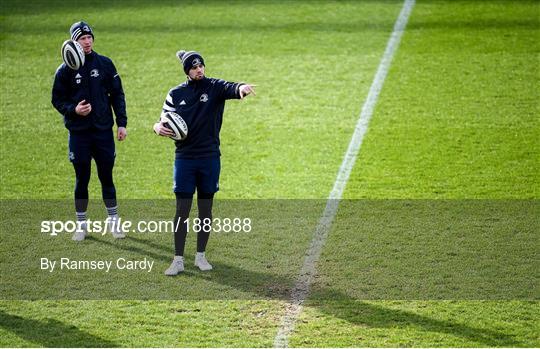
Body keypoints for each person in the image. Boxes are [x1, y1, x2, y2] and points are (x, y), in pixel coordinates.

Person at [154, 50, 255, 275]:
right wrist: (157, 127)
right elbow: (162, 119)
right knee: (182, 210)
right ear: (187, 71)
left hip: (209, 157)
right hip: (185, 159)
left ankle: (201, 256)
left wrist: (242, 89)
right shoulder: (175, 93)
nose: (199, 70)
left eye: (201, 66)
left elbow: (232, 87)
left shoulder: (214, 87)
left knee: (205, 209)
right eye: (194, 67)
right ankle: (178, 259)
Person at [52, 21, 128, 241]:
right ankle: (81, 225)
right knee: (81, 178)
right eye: (81, 38)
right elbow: (57, 100)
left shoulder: (105, 64)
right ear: (73, 42)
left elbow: (117, 94)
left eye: (88, 37)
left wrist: (121, 123)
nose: (86, 42)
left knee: (107, 177)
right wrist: (74, 110)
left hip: (103, 131)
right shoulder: (64, 70)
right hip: (79, 134)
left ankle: (113, 222)